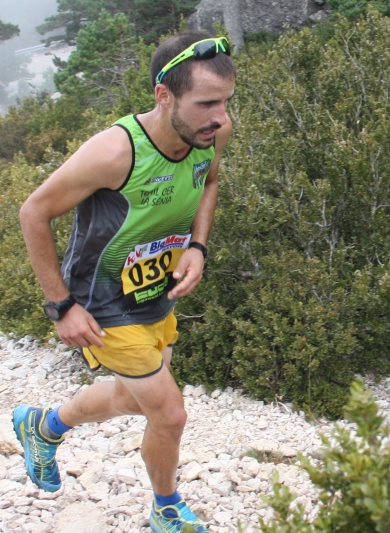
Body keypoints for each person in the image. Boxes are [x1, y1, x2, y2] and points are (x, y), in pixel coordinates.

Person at [12, 30, 235, 533]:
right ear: (164, 95)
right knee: (170, 414)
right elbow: (33, 212)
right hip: (101, 302)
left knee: (131, 399)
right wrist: (60, 306)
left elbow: (210, 181)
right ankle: (166, 508)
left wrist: (197, 247)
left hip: (155, 291)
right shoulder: (115, 152)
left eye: (225, 101)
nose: (219, 116)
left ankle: (42, 427)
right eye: (205, 103)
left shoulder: (213, 132)